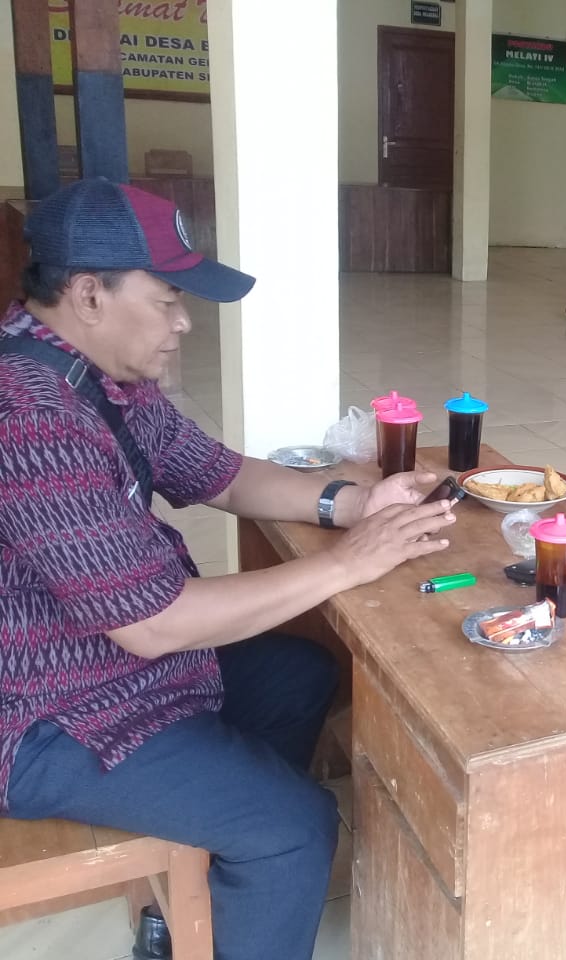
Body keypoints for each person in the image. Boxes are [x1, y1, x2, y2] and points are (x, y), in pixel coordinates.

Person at [0, 178, 458, 960]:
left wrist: (355, 504)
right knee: (295, 827)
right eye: (167, 298)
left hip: (110, 669)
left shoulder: (100, 373)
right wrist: (350, 563)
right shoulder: (31, 416)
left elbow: (221, 473)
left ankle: (207, 888)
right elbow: (156, 625)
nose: (183, 322)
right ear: (88, 294)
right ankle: (254, 855)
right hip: (47, 718)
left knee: (301, 674)